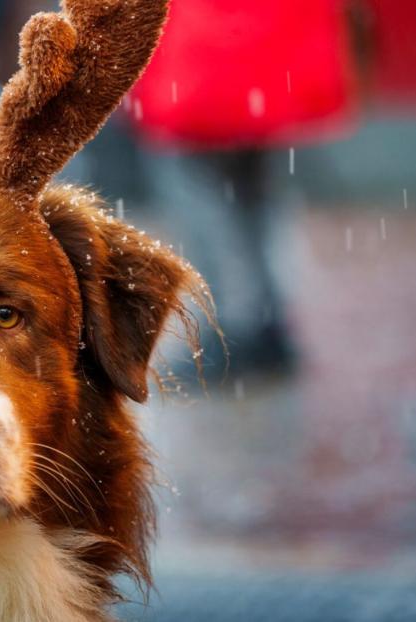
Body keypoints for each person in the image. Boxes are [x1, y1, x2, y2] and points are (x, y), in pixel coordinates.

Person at [131, 0, 358, 378]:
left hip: (203, 55)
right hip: (265, 56)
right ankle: (266, 316)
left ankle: (229, 326)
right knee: (255, 188)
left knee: (197, 188)